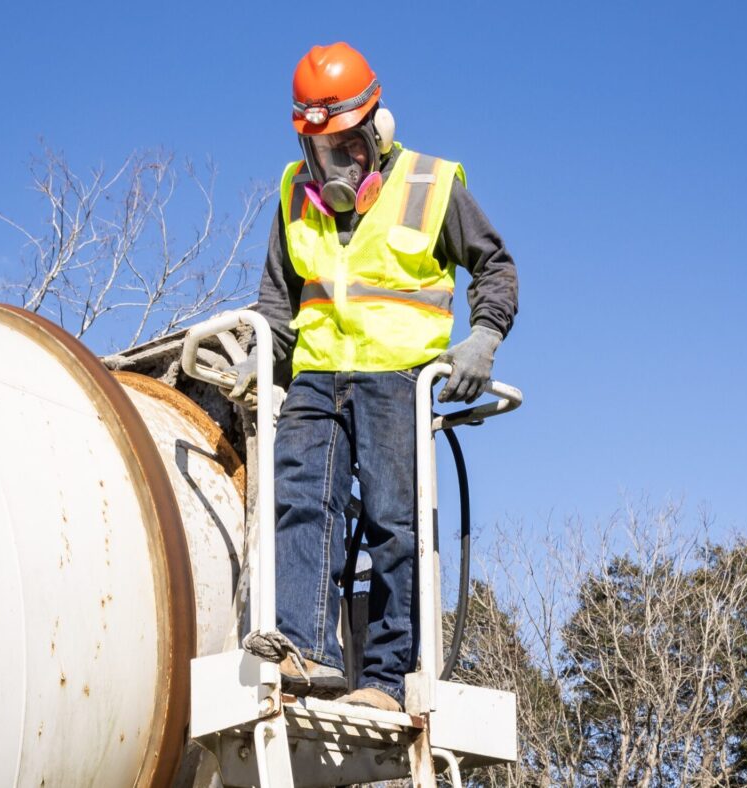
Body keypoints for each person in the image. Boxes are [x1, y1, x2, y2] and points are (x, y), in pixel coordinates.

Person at [226, 42, 519, 712]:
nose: (336, 165)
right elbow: (279, 296)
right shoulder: (292, 196)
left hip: (396, 378)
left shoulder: (430, 185)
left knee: (395, 523)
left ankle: (386, 681)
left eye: (349, 148)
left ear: (376, 130)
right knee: (300, 504)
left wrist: (485, 336)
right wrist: (261, 353)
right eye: (323, 151)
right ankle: (305, 649)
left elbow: (495, 265)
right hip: (316, 376)